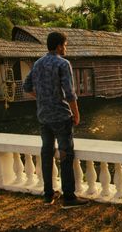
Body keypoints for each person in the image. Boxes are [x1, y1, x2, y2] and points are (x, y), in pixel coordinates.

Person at [23, 32, 88, 209]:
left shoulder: (37, 64)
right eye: (65, 45)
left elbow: (26, 86)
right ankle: (68, 197)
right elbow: (69, 92)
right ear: (59, 46)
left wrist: (42, 97)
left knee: (46, 154)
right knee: (65, 155)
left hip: (43, 117)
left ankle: (48, 195)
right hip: (60, 116)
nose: (65, 48)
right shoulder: (62, 63)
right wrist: (76, 114)